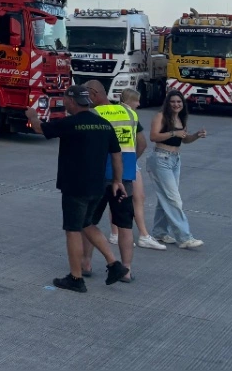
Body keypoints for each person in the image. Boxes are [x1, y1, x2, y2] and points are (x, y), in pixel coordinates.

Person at [27, 85, 128, 292]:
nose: (65, 103)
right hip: (98, 186)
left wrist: (32, 115)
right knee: (87, 224)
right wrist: (117, 181)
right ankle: (114, 264)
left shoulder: (70, 123)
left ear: (72, 101)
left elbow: (39, 128)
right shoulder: (104, 125)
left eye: (65, 99)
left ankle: (76, 278)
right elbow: (116, 155)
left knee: (73, 229)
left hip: (75, 186)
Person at [80, 82, 149, 283]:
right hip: (124, 179)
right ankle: (126, 270)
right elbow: (142, 143)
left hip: (98, 178)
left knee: (89, 221)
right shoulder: (129, 113)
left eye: (86, 95)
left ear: (93, 94)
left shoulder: (93, 114)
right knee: (125, 224)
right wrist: (129, 164)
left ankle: (86, 263)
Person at [147, 90, 207, 249]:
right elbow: (153, 136)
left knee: (165, 198)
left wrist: (196, 135)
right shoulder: (161, 116)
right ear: (168, 103)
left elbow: (184, 139)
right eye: (173, 101)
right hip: (161, 159)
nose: (176, 104)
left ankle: (159, 232)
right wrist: (174, 132)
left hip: (175, 160)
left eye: (179, 102)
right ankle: (185, 238)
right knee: (174, 199)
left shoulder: (181, 118)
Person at [108, 89, 165, 252]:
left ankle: (120, 233)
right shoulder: (130, 115)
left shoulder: (112, 112)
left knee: (122, 197)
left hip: (120, 159)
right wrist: (132, 160)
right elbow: (142, 143)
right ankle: (139, 235)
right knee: (129, 197)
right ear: (129, 100)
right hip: (127, 159)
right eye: (137, 101)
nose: (139, 104)